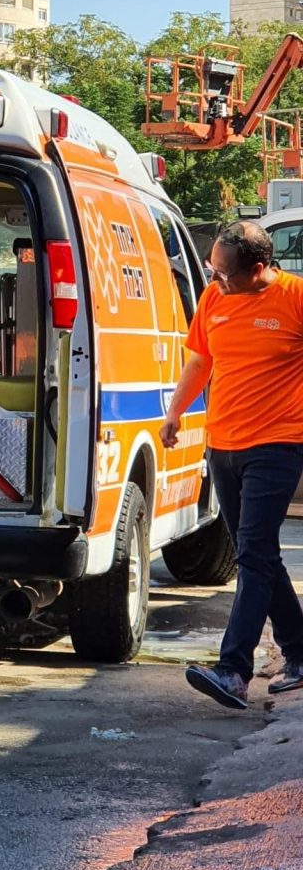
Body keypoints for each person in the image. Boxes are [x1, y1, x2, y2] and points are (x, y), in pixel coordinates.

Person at [160, 220, 303, 710]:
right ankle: (300, 651)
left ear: (258, 268)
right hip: (223, 444)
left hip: (278, 444)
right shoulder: (214, 299)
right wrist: (175, 412)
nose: (215, 280)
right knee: (257, 555)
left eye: (224, 273)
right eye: (212, 270)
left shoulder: (294, 298)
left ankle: (233, 670)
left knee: (254, 554)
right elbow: (200, 361)